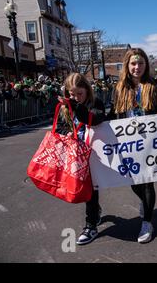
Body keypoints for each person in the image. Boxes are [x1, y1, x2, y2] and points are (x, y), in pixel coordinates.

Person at [107, 48, 157, 243]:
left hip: (149, 142)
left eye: (140, 63)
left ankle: (147, 222)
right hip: (127, 144)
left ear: (145, 65)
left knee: (147, 181)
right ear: (127, 65)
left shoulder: (155, 86)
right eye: (133, 63)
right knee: (133, 182)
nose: (137, 67)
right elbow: (113, 114)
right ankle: (145, 201)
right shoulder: (119, 88)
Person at [56, 73, 106, 245]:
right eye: (72, 94)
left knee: (91, 189)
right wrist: (66, 133)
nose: (76, 98)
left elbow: (94, 119)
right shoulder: (65, 107)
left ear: (87, 91)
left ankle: (90, 225)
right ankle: (95, 214)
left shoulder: (95, 103)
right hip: (76, 155)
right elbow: (59, 128)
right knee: (87, 190)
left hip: (95, 154)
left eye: (80, 94)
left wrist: (76, 107)